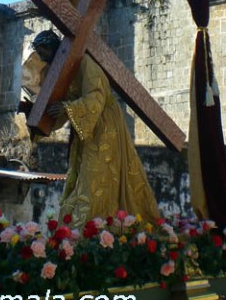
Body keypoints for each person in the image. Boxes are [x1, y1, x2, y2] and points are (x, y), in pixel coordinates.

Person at [23, 30, 160, 226]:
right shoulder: (56, 71)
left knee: (97, 177)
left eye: (43, 52)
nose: (42, 57)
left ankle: (97, 227)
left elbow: (96, 96)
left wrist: (68, 108)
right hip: (85, 128)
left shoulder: (85, 62)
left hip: (104, 124)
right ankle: (84, 228)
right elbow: (58, 106)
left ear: (52, 47)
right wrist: (33, 111)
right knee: (82, 178)